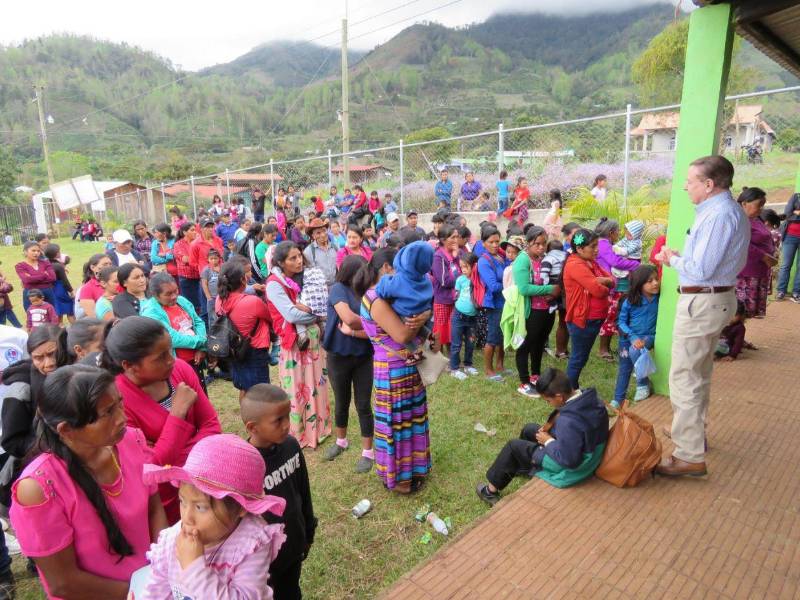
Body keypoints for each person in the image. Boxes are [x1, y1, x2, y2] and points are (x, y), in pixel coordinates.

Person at [9, 365, 168, 599]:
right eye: (108, 413)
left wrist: (164, 568)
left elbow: (154, 509)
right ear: (67, 430)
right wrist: (140, 594)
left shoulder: (132, 441)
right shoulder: (38, 488)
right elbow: (63, 583)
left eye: (119, 404)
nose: (122, 418)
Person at [654, 155, 749, 477]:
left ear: (709, 185)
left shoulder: (719, 215)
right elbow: (708, 264)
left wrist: (672, 260)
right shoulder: (723, 211)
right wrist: (683, 258)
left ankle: (689, 454)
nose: (685, 185)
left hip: (702, 303)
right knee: (700, 371)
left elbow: (702, 269)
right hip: (713, 298)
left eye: (690, 180)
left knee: (684, 377)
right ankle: (692, 433)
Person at [101, 316, 221, 522]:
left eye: (170, 351)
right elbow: (150, 468)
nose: (171, 360)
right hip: (166, 504)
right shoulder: (116, 401)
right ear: (130, 365)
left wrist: (168, 455)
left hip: (206, 481)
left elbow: (212, 426)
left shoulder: (181, 370)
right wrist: (177, 414)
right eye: (161, 357)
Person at [141, 434, 286, 599]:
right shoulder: (171, 542)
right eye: (182, 501)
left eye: (200, 507)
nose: (187, 518)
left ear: (241, 507)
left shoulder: (251, 544)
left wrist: (194, 569)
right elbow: (155, 592)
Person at [355, 249, 432, 494]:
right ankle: (399, 479)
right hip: (392, 372)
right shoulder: (375, 298)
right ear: (388, 268)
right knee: (396, 425)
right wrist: (422, 319)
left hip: (409, 369)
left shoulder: (392, 296)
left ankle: (414, 470)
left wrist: (424, 318)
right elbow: (401, 334)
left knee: (411, 421)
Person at [476, 368, 609, 504]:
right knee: (529, 429)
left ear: (559, 397)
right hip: (590, 452)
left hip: (575, 466)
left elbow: (569, 460)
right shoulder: (591, 399)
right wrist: (550, 435)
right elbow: (579, 432)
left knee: (513, 447)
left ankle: (489, 492)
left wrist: (549, 441)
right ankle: (523, 465)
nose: (548, 404)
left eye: (548, 401)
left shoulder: (568, 422)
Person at [241, 385, 317, 599]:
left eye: (287, 416)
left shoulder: (291, 446)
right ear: (253, 427)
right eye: (278, 420)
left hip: (294, 545)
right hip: (265, 565)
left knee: (293, 592)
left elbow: (303, 491)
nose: (287, 425)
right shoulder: (246, 467)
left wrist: (308, 531)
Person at [266, 241, 331, 449]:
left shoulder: (298, 279)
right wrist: (316, 312)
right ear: (281, 262)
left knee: (315, 384)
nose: (298, 261)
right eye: (292, 258)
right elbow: (291, 314)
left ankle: (319, 428)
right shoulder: (274, 284)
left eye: (299, 256)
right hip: (295, 345)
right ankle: (300, 432)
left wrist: (313, 310)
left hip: (311, 342)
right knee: (297, 388)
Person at [321, 256, 375, 472]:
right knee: (341, 401)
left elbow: (354, 324)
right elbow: (348, 317)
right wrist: (376, 320)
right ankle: (341, 441)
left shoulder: (368, 292)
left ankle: (367, 452)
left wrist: (359, 329)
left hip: (363, 356)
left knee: (363, 404)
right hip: (338, 355)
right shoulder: (338, 289)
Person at [563, 229, 612, 389]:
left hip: (593, 319)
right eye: (593, 246)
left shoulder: (590, 262)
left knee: (581, 357)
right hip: (583, 319)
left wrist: (603, 281)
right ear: (579, 249)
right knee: (578, 357)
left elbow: (613, 280)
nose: (597, 249)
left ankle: (571, 388)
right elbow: (598, 290)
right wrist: (604, 287)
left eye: (596, 245)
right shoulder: (575, 264)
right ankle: (569, 391)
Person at [512, 227, 559, 398]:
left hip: (547, 310)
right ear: (528, 243)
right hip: (531, 311)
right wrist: (549, 289)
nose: (541, 247)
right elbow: (524, 288)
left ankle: (535, 375)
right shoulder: (522, 260)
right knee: (525, 345)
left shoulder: (544, 258)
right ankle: (524, 383)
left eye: (543, 243)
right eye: (537, 244)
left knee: (539, 344)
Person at [216, 260, 273, 397]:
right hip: (254, 350)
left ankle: (247, 417)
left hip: (235, 350)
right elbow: (270, 318)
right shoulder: (252, 302)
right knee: (261, 393)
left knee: (244, 388)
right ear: (242, 280)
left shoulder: (219, 300)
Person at [141, 273, 208, 384]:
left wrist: (202, 348)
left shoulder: (181, 301)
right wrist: (202, 341)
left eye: (176, 291)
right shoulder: (150, 313)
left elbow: (198, 321)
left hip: (195, 358)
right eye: (168, 294)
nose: (174, 296)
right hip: (174, 364)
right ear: (155, 295)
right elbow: (171, 338)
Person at [375, 241, 435, 363]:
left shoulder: (398, 280)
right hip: (422, 310)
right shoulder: (425, 278)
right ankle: (429, 335)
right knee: (419, 324)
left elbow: (381, 290)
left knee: (406, 331)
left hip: (405, 313)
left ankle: (416, 352)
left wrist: (385, 278)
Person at [612, 265, 660, 408]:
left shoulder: (660, 299)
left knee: (635, 350)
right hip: (628, 338)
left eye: (656, 279)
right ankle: (618, 400)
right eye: (649, 281)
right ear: (639, 284)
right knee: (624, 368)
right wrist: (632, 337)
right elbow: (621, 322)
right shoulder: (630, 300)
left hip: (648, 337)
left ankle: (643, 383)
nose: (655, 283)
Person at [595, 219, 641, 361]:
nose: (620, 234)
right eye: (618, 231)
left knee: (615, 315)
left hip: (615, 285)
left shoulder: (606, 243)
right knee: (610, 315)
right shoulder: (603, 244)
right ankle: (603, 349)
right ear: (611, 233)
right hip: (610, 286)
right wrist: (636, 265)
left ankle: (606, 348)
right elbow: (615, 262)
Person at [735, 187, 776, 319]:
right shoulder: (738, 220)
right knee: (739, 311)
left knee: (747, 312)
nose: (761, 210)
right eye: (759, 205)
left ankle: (739, 338)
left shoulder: (754, 219)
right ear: (744, 203)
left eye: (762, 206)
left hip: (758, 271)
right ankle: (730, 339)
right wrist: (764, 256)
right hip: (746, 274)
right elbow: (741, 243)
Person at [477, 226, 509, 381]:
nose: (495, 245)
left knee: (503, 336)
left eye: (497, 241)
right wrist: (511, 284)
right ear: (484, 243)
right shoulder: (483, 261)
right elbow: (494, 286)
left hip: (505, 302)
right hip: (494, 304)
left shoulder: (501, 256)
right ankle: (489, 370)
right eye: (491, 242)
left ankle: (500, 365)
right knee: (492, 338)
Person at [431, 225, 461, 353]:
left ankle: (451, 356)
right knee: (441, 330)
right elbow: (445, 281)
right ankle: (439, 356)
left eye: (457, 236)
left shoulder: (456, 254)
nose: (456, 240)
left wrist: (455, 257)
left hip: (454, 299)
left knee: (452, 329)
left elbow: (463, 270)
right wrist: (461, 279)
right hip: (443, 300)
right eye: (452, 237)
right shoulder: (438, 257)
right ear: (443, 240)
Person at [449, 253, 479, 380]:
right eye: (461, 267)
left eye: (466, 267)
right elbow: (456, 294)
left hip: (472, 318)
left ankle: (468, 364)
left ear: (474, 266)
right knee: (456, 344)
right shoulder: (460, 279)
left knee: (470, 342)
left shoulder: (478, 280)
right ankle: (454, 368)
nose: (464, 270)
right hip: (458, 316)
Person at [15, 240, 56, 311]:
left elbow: (52, 278)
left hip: (47, 293)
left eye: (38, 251)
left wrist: (32, 277)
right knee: (33, 317)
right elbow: (26, 280)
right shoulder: (20, 266)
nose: (36, 253)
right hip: (31, 295)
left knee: (50, 316)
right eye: (33, 250)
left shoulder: (45, 263)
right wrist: (44, 275)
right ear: (25, 252)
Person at [174, 221, 203, 316]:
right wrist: (200, 259)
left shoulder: (198, 242)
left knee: (201, 304)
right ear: (184, 232)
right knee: (190, 305)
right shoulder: (179, 244)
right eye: (192, 230)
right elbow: (185, 259)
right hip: (187, 279)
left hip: (200, 276)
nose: (195, 232)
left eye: (195, 230)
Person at [776, 191, 800, 302]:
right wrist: (794, 213)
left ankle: (797, 292)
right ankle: (781, 291)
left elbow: (793, 214)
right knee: (786, 265)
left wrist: (797, 212)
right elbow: (787, 214)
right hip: (790, 236)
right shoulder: (796, 196)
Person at [43, 243, 74, 325]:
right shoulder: (58, 266)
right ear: (57, 253)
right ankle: (76, 328)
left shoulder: (44, 264)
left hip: (50, 289)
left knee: (57, 310)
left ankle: (59, 326)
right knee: (69, 310)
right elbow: (65, 280)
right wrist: (71, 291)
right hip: (60, 288)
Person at [304, 218, 337, 288]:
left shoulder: (335, 247)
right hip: (320, 289)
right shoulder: (308, 252)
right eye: (318, 233)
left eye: (324, 231)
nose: (323, 235)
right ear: (313, 236)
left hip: (336, 286)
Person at [77, 253, 113, 318]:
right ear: (93, 267)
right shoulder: (87, 288)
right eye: (105, 264)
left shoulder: (117, 282)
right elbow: (93, 316)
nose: (109, 267)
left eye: (110, 264)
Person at [190, 218, 225, 282]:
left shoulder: (219, 240)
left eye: (212, 227)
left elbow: (222, 256)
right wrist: (205, 272)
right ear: (201, 229)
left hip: (220, 274)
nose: (210, 229)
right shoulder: (195, 244)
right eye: (207, 227)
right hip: (207, 278)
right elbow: (193, 263)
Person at [201, 249, 222, 328]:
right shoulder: (206, 270)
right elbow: (204, 284)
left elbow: (226, 279)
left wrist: (220, 272)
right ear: (208, 259)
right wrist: (208, 297)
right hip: (212, 298)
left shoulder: (222, 268)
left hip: (221, 297)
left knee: (222, 316)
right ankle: (213, 334)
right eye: (211, 259)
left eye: (215, 258)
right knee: (212, 317)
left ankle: (222, 332)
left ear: (219, 259)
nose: (213, 260)